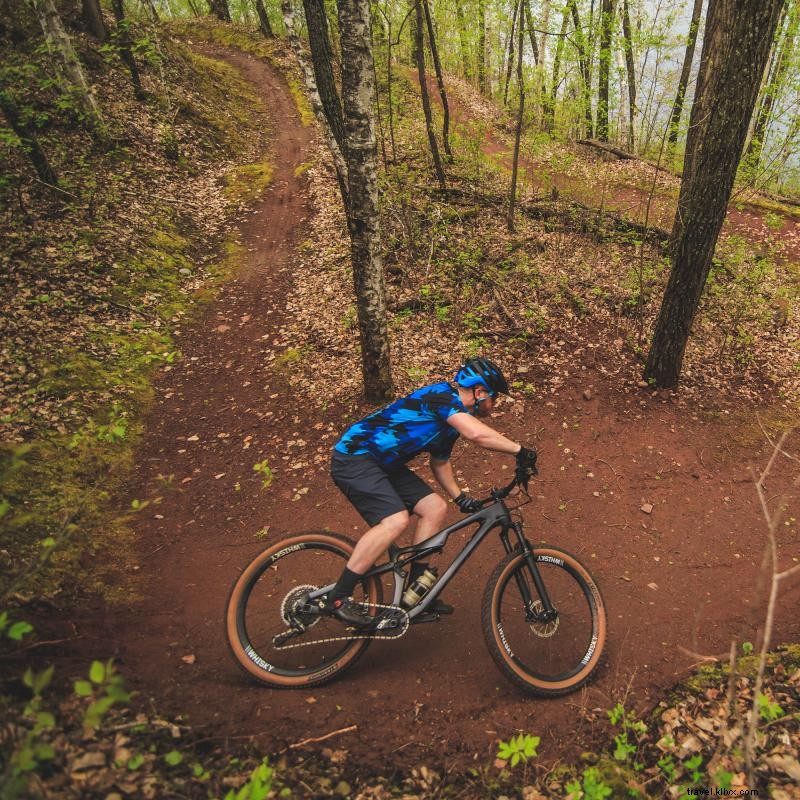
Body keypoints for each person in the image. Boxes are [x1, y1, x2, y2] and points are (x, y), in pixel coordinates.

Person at [325, 357, 538, 628]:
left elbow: (440, 462)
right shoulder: (441, 396)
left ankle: (413, 597)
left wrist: (459, 497)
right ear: (480, 391)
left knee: (435, 508)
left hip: (384, 464)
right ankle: (339, 597)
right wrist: (520, 451)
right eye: (493, 398)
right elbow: (477, 435)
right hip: (355, 457)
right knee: (396, 520)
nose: (493, 405)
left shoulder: (452, 422)